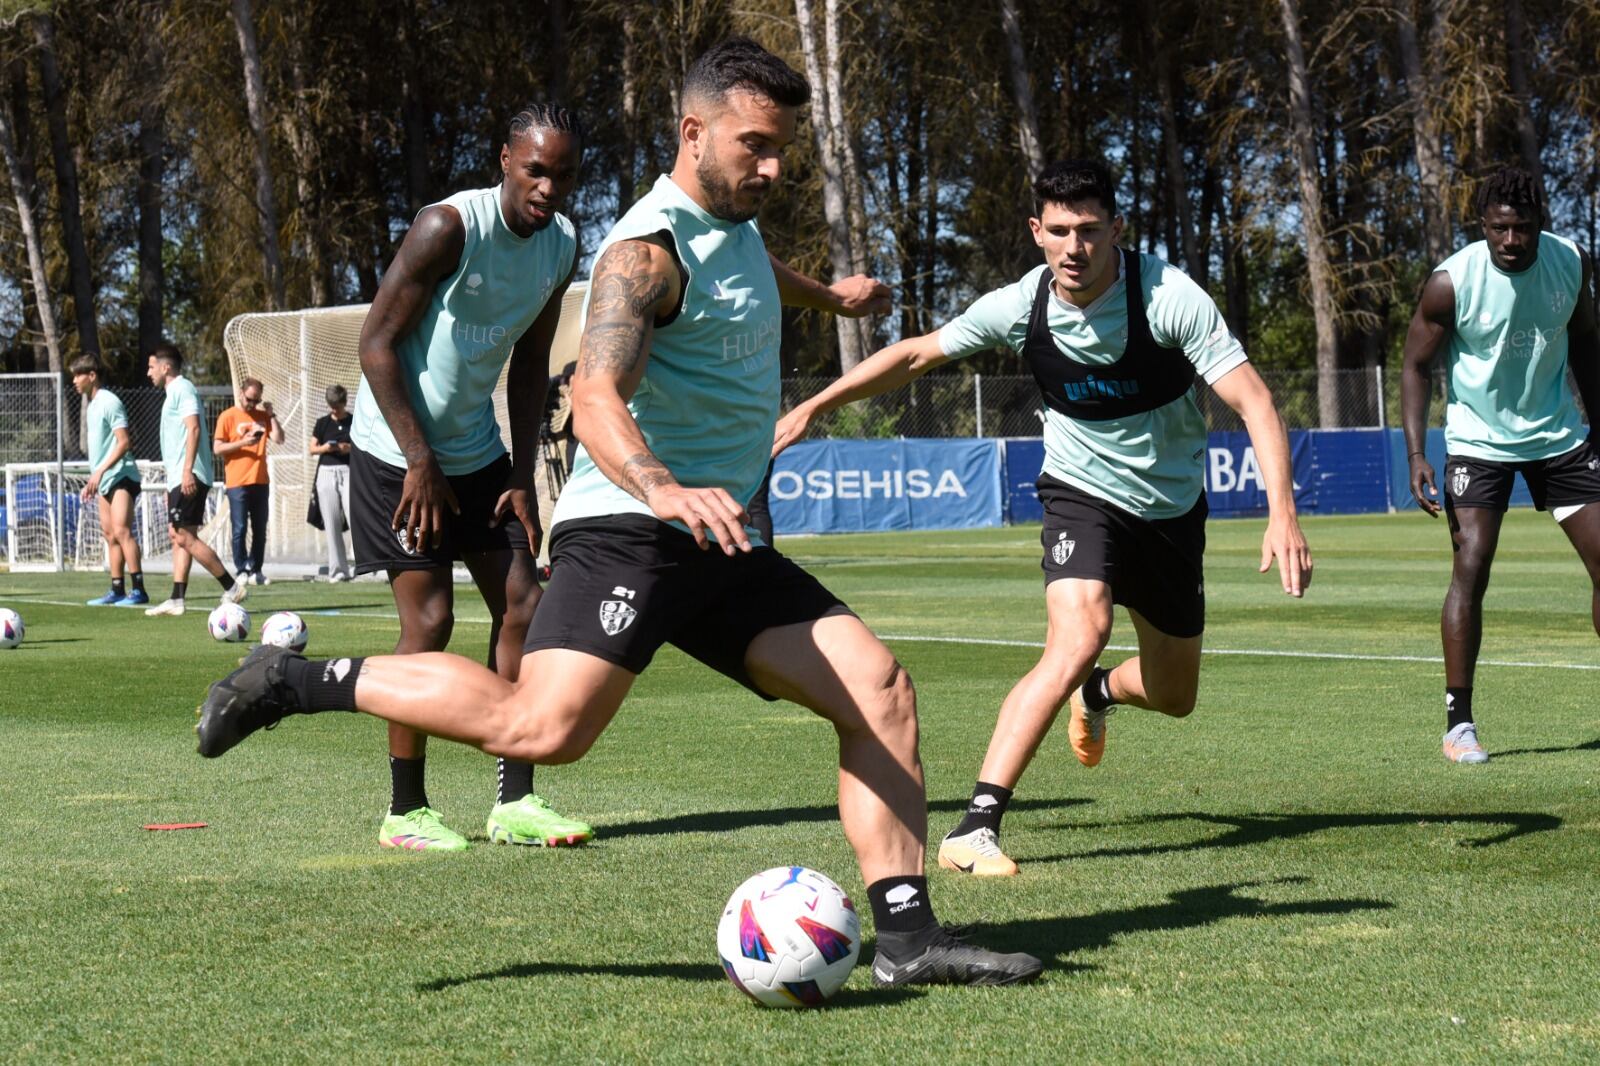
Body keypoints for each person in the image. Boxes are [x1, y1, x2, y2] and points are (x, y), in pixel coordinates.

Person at [197, 37, 1039, 988]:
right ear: (693, 131)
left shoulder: (736, 224)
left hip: (716, 538)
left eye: (781, 150)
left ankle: (911, 938)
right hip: (631, 530)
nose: (772, 168)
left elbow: (755, 273)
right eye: (755, 146)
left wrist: (828, 294)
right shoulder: (643, 251)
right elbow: (594, 391)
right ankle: (292, 683)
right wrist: (659, 484)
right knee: (542, 729)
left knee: (879, 691)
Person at [777, 159, 1312, 877]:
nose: (1074, 247)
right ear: (1036, 232)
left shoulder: (1169, 297)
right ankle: (977, 826)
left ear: (1116, 229)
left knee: (1175, 694)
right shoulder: (1020, 304)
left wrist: (1282, 513)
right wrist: (814, 406)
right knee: (1079, 633)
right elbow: (915, 354)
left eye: (1089, 230)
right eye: (1058, 230)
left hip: (1170, 510)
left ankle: (1097, 695)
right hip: (1079, 493)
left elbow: (1254, 401)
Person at [340, 103, 591, 853]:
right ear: (506, 163)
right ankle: (405, 811)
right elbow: (375, 344)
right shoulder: (447, 227)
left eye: (564, 174)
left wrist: (522, 475)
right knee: (431, 623)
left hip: (477, 450)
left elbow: (530, 364)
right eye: (535, 169)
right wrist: (419, 459)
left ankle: (515, 800)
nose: (548, 187)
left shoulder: (563, 245)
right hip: (395, 451)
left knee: (526, 604)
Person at [1400, 165, 1600, 764]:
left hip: (1558, 436)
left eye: (1522, 228)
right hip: (1478, 442)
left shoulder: (1573, 264)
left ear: (1540, 222)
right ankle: (1459, 726)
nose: (1510, 241)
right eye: (1498, 229)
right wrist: (1416, 453)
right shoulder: (1450, 282)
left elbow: (1589, 344)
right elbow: (1414, 365)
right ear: (1483, 226)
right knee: (1473, 562)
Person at [144, 343, 247, 617]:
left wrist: (187, 471)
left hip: (188, 474)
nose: (148, 372)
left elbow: (194, 428)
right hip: (178, 476)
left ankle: (231, 586)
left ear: (166, 368)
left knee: (184, 536)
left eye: (151, 366)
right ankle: (177, 599)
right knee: (178, 535)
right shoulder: (172, 394)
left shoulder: (182, 388)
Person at [71, 354, 148, 607]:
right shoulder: (92, 405)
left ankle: (138, 590)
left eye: (77, 375)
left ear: (91, 376)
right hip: (104, 478)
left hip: (121, 475)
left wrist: (101, 471)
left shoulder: (109, 401)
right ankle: (117, 589)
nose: (74, 380)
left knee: (122, 530)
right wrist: (96, 477)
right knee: (109, 534)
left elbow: (124, 442)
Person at [214, 376, 284, 584]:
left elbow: (279, 438)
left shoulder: (262, 416)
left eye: (256, 401)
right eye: (249, 399)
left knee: (260, 528)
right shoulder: (227, 416)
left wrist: (271, 416)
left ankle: (257, 569)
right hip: (237, 481)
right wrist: (243, 443)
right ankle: (241, 568)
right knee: (240, 527)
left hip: (260, 480)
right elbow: (218, 448)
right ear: (241, 394)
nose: (252, 404)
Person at [309, 383, 355, 582]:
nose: (335, 409)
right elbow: (312, 449)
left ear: (344, 403)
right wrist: (327, 447)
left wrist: (348, 448)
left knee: (357, 517)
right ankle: (338, 570)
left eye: (338, 405)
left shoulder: (354, 421)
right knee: (331, 521)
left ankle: (365, 566)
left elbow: (362, 447)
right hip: (326, 471)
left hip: (349, 471)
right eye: (332, 405)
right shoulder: (322, 423)